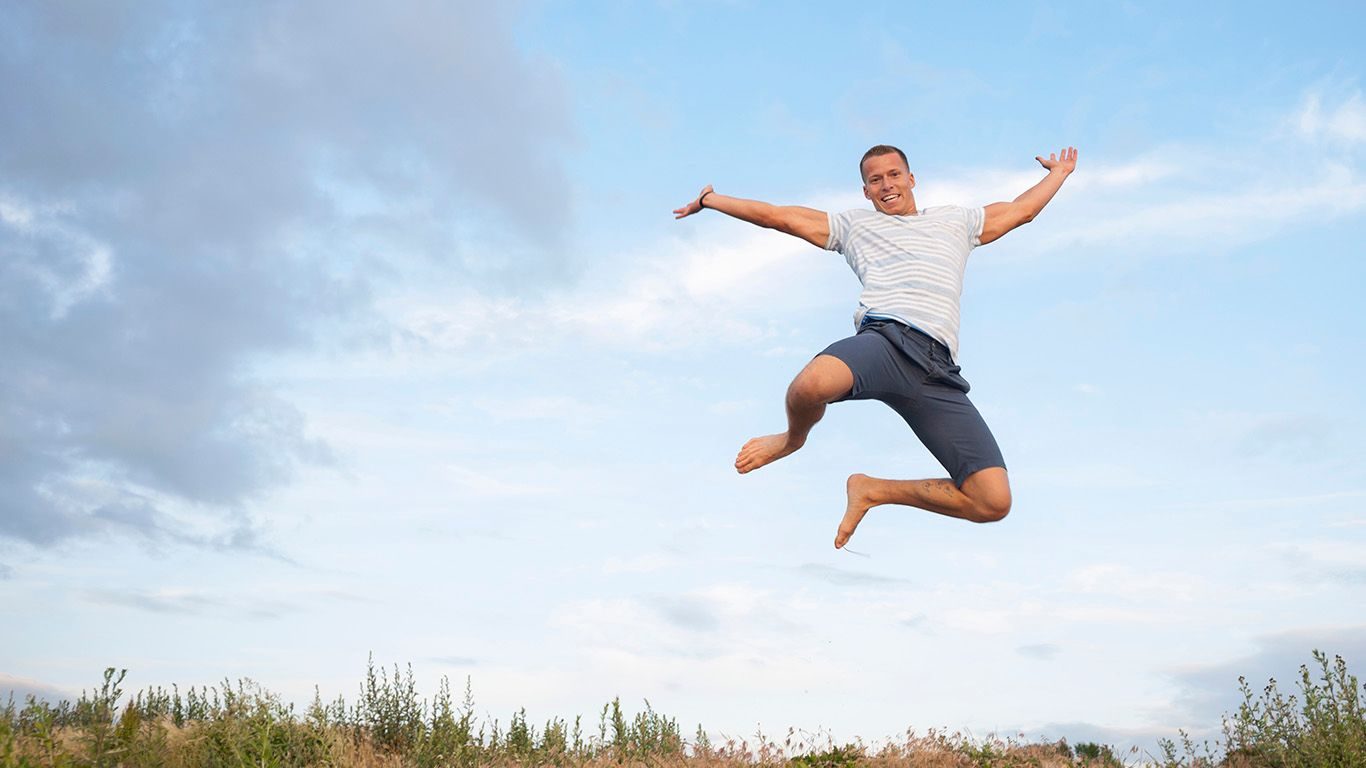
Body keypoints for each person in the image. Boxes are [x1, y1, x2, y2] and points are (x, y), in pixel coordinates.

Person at [672, 144, 1078, 548]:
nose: (887, 185)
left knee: (992, 500)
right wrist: (712, 200)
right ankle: (792, 438)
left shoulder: (957, 221)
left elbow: (1019, 210)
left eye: (894, 174)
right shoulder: (854, 227)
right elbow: (779, 217)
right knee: (811, 385)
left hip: (936, 370)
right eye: (875, 179)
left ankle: (873, 490)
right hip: (885, 342)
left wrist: (1058, 173)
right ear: (866, 191)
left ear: (911, 178)